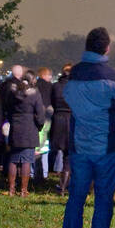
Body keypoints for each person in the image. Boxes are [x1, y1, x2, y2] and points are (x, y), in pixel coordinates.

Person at [59, 28, 115, 228]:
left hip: (80, 146)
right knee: (103, 199)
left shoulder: (74, 74)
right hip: (105, 146)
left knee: (76, 198)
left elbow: (66, 95)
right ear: (107, 48)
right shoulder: (112, 77)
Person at [2, 65, 47, 197]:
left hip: (16, 127)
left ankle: (11, 190)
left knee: (13, 159)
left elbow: (8, 109)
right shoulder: (35, 94)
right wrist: (39, 126)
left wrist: (12, 120)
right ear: (33, 80)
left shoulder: (13, 93)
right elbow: (40, 114)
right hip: (29, 129)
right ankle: (23, 190)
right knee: (27, 160)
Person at [48, 65, 73, 195]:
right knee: (68, 156)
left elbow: (52, 101)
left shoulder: (56, 86)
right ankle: (64, 185)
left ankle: (62, 185)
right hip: (71, 120)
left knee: (61, 151)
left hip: (58, 120)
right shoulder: (75, 87)